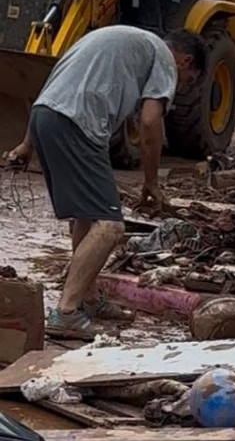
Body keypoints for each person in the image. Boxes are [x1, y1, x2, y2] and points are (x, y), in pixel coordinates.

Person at [3, 26, 206, 339]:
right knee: (111, 226)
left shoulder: (110, 39)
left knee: (86, 215)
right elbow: (151, 122)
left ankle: (89, 297)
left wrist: (27, 145)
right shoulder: (164, 57)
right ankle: (67, 311)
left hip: (45, 117)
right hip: (79, 126)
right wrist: (151, 183)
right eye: (188, 80)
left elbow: (54, 89)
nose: (179, 87)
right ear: (185, 61)